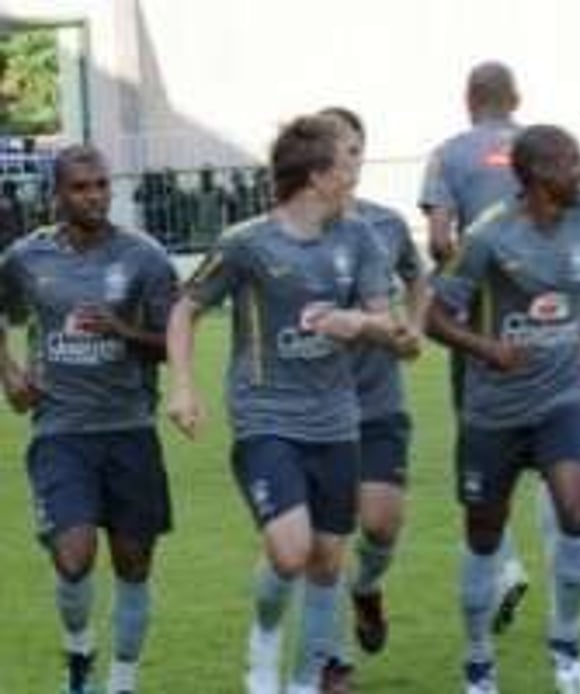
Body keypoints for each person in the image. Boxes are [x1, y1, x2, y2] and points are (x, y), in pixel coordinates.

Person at [165, 115, 405, 694]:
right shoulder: (247, 244)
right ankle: (265, 643)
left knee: (327, 561)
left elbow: (403, 336)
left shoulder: (361, 238)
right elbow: (185, 308)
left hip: (338, 423)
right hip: (265, 418)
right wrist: (183, 386)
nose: (355, 173)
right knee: (290, 551)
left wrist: (365, 323)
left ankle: (303, 682)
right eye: (345, 164)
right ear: (318, 177)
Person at [426, 124, 580, 694]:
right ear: (535, 177)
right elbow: (433, 317)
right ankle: (479, 659)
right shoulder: (489, 237)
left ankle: (566, 642)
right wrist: (489, 350)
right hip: (494, 413)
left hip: (564, 400)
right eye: (571, 163)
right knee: (483, 535)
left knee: (578, 514)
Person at [0, 144, 178, 694]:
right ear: (57, 194)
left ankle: (122, 682)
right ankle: (80, 657)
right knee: (74, 557)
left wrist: (124, 333)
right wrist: (9, 372)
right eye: (81, 187)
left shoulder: (144, 256)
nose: (95, 196)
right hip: (61, 431)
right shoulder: (26, 259)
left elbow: (174, 342)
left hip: (129, 429)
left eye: (101, 185)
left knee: (133, 564)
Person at [419, 60, 568, 632]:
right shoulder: (546, 150)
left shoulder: (449, 155)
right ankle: (564, 596)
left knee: (483, 452)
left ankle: (504, 565)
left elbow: (437, 240)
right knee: (557, 454)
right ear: (517, 97)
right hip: (551, 327)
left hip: (481, 330)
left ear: (468, 99)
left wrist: (473, 271)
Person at [315, 106, 427, 685]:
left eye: (354, 149)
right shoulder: (293, 230)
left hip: (379, 399)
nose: (347, 160)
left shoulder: (385, 224)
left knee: (381, 525)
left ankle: (368, 587)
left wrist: (416, 329)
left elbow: (418, 275)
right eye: (335, 150)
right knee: (326, 538)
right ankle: (333, 660)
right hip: (315, 407)